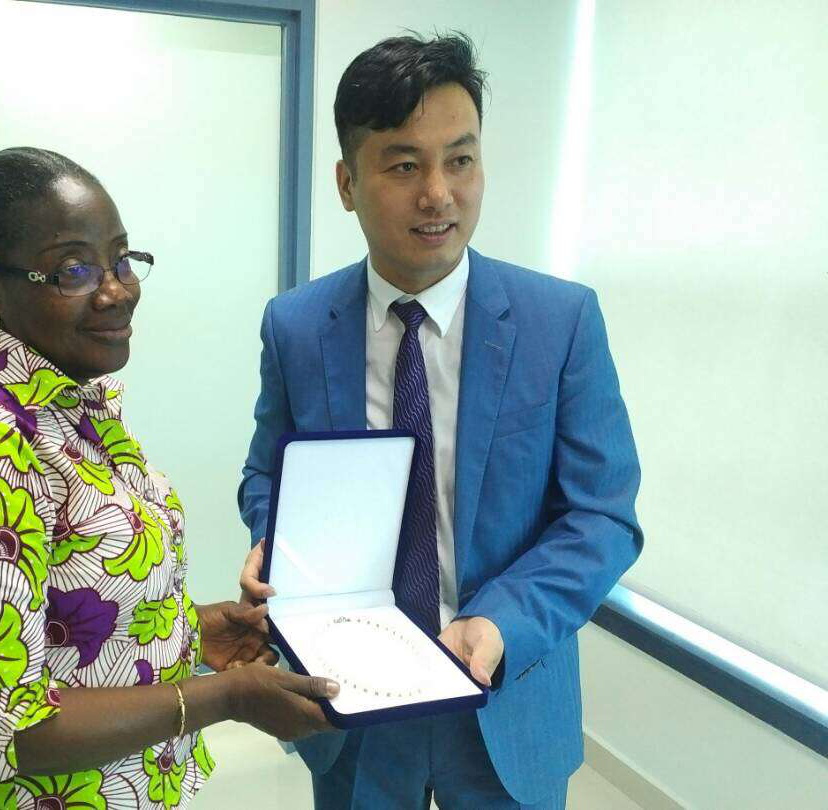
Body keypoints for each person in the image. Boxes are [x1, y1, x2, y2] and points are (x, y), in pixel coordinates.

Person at [238, 33, 642, 809]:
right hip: (349, 698)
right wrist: (271, 531)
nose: (438, 194)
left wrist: (502, 623)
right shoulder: (296, 325)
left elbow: (602, 516)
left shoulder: (559, 322)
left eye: (460, 160)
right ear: (347, 183)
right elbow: (267, 469)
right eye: (403, 166)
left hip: (504, 688)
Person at [0, 147, 337, 809]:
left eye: (121, 259)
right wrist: (227, 696)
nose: (116, 289)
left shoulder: (69, 406)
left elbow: (61, 606)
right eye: (74, 270)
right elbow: (1, 731)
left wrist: (184, 630)